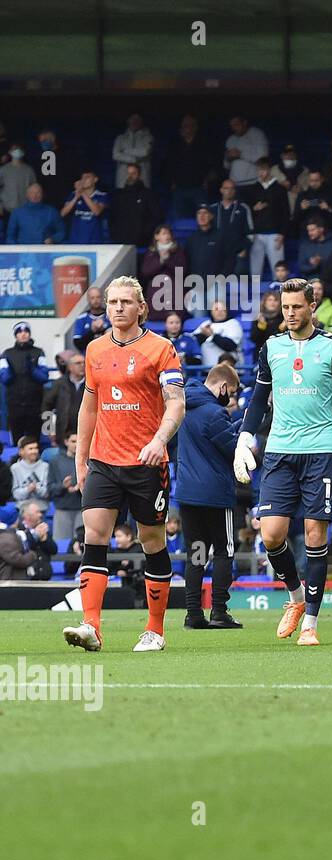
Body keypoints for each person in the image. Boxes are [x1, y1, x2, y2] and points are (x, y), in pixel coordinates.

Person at [233, 278, 332, 647]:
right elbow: (258, 400)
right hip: (279, 450)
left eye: (297, 306)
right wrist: (244, 441)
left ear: (312, 305)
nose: (290, 313)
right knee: (271, 534)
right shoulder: (271, 347)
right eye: (285, 307)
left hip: (321, 451)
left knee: (314, 534)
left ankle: (310, 621)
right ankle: (295, 599)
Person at [62, 277, 186, 653]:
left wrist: (158, 440)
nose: (117, 307)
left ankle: (155, 630)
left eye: (125, 302)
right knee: (94, 537)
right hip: (104, 460)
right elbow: (90, 406)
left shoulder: (161, 348)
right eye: (112, 301)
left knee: (152, 542)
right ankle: (91, 627)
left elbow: (176, 402)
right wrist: (81, 459)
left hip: (147, 464)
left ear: (141, 308)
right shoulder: (95, 350)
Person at [175, 363, 243, 630]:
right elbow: (232, 449)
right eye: (232, 391)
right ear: (223, 386)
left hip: (188, 493)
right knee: (224, 550)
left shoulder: (182, 407)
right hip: (215, 494)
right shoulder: (215, 413)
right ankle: (219, 610)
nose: (232, 397)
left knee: (197, 554)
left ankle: (193, 613)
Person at [1, 321, 52, 443]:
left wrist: (32, 369)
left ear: (29, 334)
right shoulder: (6, 354)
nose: (23, 334)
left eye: (26, 331)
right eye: (20, 332)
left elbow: (44, 377)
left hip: (34, 405)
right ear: (15, 335)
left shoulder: (38, 352)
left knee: (34, 440)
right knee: (16, 440)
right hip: (14, 405)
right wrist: (11, 371)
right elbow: (4, 379)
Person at [10, 435, 50, 510]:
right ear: (21, 451)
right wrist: (28, 490)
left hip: (42, 508)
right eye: (30, 449)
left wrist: (36, 489)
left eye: (36, 448)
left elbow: (47, 492)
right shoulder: (15, 468)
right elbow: (15, 494)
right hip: (22, 508)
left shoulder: (45, 466)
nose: (34, 451)